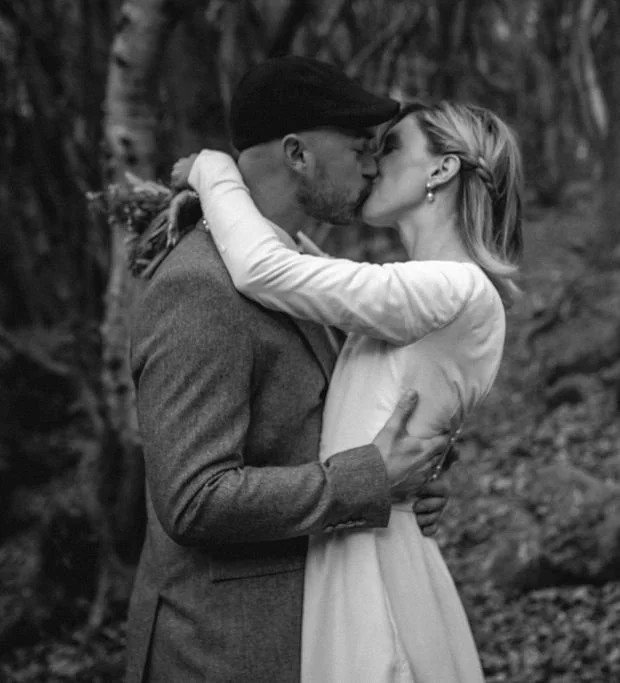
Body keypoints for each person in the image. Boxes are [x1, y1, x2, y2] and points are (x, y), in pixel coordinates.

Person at [126, 56, 455, 683]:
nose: (372, 165)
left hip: (312, 633)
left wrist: (408, 481)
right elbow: (193, 499)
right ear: (298, 154)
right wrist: (370, 480)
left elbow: (322, 428)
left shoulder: (302, 273)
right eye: (358, 146)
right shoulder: (201, 289)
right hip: (224, 651)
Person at [179, 89, 523, 680]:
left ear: (442, 169)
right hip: (360, 539)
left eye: (390, 147)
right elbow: (304, 270)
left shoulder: (452, 288)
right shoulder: (421, 292)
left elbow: (265, 268)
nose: (371, 163)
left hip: (373, 561)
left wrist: (212, 168)